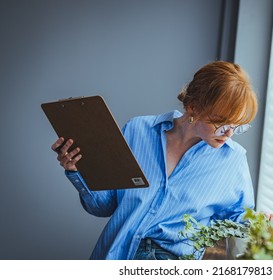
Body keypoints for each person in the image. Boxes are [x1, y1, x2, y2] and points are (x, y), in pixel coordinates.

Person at [51, 61, 258, 260]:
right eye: (222, 124)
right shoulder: (137, 131)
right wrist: (77, 171)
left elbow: (236, 220)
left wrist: (260, 223)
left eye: (238, 126)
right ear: (194, 107)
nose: (229, 133)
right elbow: (103, 207)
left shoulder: (233, 160)